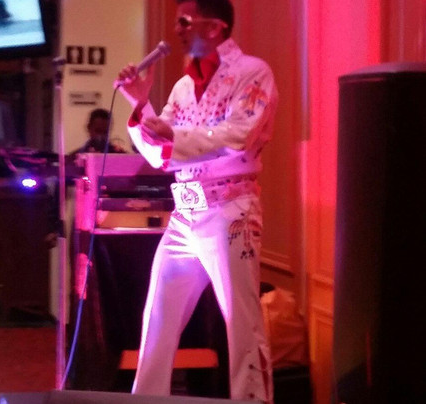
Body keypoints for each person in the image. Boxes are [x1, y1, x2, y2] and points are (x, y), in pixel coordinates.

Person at [115, 0, 278, 403]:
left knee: (242, 323)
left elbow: (238, 137)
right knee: (158, 316)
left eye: (185, 22)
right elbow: (159, 155)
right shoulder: (184, 87)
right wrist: (140, 104)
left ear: (215, 26)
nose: (178, 31)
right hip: (185, 211)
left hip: (229, 208)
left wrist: (173, 135)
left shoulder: (253, 72)